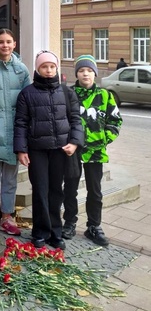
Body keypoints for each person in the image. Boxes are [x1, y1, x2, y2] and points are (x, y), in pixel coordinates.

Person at [14, 50, 84, 250]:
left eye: (52, 66)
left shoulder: (66, 92)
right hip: (37, 151)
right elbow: (21, 123)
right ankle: (40, 232)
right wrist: (21, 150)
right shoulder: (27, 94)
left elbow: (76, 120)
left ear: (56, 68)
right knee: (40, 191)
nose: (48, 70)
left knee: (56, 191)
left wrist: (74, 142)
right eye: (44, 66)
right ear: (37, 68)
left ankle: (56, 232)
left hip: (60, 150)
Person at [62, 54, 122, 246]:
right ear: (77, 74)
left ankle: (94, 226)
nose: (85, 74)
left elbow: (115, 121)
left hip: (96, 152)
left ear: (94, 74)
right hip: (73, 151)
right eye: (81, 70)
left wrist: (104, 139)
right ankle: (69, 222)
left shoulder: (105, 96)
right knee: (70, 188)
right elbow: (62, 120)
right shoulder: (69, 94)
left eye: (89, 70)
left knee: (95, 191)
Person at [0, 29, 31, 234]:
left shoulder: (22, 70)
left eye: (8, 42)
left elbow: (29, 101)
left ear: (14, 44)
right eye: (0, 42)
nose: (5, 45)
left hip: (15, 133)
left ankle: (7, 216)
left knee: (10, 179)